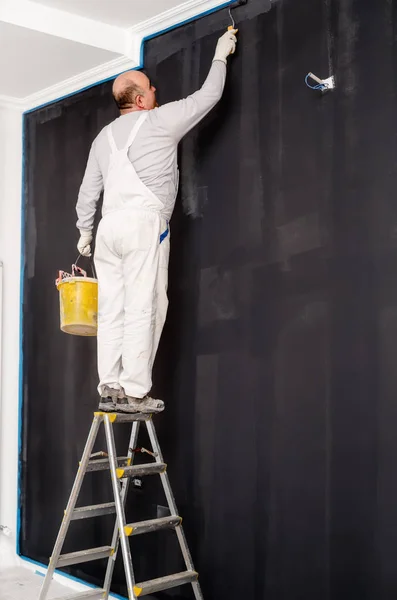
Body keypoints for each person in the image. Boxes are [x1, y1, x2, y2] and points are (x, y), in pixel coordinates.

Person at [75, 29, 238, 414]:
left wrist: (84, 233)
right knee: (144, 305)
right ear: (140, 99)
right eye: (151, 88)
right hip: (141, 224)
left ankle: (110, 384)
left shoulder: (103, 138)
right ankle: (134, 390)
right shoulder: (158, 121)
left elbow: (87, 192)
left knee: (113, 307)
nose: (156, 92)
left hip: (108, 229)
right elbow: (208, 97)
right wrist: (220, 55)